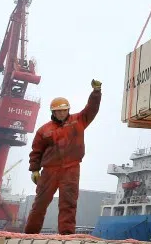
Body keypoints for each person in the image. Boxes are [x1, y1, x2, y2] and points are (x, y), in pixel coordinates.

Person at [24, 79, 101, 235]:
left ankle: (66, 236)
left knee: (68, 203)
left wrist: (96, 92)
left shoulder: (79, 120)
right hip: (49, 171)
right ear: (52, 112)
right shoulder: (43, 130)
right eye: (58, 111)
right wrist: (35, 170)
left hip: (71, 169)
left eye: (64, 110)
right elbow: (36, 151)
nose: (61, 113)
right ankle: (30, 234)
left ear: (68, 110)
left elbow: (92, 108)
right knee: (40, 203)